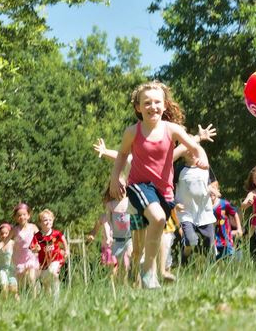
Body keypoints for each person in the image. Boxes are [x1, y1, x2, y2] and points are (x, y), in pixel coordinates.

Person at [109, 80, 208, 289]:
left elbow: (194, 147)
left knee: (159, 226)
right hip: (139, 186)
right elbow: (121, 155)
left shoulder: (172, 129)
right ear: (138, 107)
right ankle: (147, 271)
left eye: (156, 102)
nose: (152, 107)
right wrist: (115, 177)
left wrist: (203, 159)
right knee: (158, 218)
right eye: (146, 103)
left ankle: (150, 270)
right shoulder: (132, 132)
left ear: (164, 106)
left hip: (165, 192)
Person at [93, 123, 216, 286]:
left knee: (163, 236)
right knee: (138, 248)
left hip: (159, 200)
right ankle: (135, 272)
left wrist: (199, 138)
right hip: (137, 203)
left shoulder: (167, 155)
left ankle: (161, 271)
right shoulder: (132, 158)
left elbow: (185, 146)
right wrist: (104, 151)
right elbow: (119, 155)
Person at [175, 145, 217, 265]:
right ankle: (184, 260)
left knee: (209, 245)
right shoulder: (179, 170)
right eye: (187, 149)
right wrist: (174, 203)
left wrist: (213, 192)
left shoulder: (205, 167)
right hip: (186, 213)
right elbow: (169, 188)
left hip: (205, 213)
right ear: (181, 153)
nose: (191, 151)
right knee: (190, 240)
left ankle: (207, 270)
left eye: (193, 148)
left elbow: (211, 183)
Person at [0, 203, 39, 293]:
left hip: (31, 257)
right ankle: (25, 299)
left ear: (28, 215)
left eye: (24, 214)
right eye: (19, 215)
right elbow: (3, 242)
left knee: (31, 278)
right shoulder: (14, 230)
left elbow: (41, 239)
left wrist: (39, 247)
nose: (22, 217)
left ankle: (35, 298)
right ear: (15, 218)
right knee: (21, 285)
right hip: (19, 260)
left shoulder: (33, 227)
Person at [30, 209, 68, 296]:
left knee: (53, 272)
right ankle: (49, 301)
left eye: (50, 220)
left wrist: (67, 250)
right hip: (43, 263)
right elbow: (32, 248)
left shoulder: (56, 233)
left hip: (56, 259)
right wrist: (36, 248)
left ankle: (56, 299)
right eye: (45, 220)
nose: (48, 222)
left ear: (53, 221)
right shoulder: (37, 236)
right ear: (40, 223)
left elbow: (64, 240)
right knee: (45, 283)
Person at [211, 182, 243, 260]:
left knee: (228, 254)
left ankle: (232, 268)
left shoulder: (224, 204)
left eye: (213, 189)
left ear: (218, 191)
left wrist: (239, 228)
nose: (211, 192)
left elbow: (234, 213)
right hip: (212, 236)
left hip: (224, 234)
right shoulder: (204, 205)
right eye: (209, 189)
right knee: (215, 257)